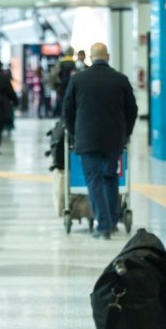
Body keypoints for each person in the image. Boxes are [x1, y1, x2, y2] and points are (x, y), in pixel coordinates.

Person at [62, 42, 137, 240]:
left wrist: (75, 133)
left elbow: (67, 111)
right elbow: (132, 111)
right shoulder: (120, 80)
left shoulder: (78, 80)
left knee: (94, 181)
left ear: (90, 57)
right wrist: (125, 133)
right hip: (114, 140)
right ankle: (111, 222)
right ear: (108, 57)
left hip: (87, 140)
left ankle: (104, 226)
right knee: (110, 178)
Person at [53, 47, 77, 117]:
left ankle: (62, 116)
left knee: (61, 102)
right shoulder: (73, 63)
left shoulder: (61, 62)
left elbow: (57, 75)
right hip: (69, 85)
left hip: (61, 86)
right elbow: (74, 75)